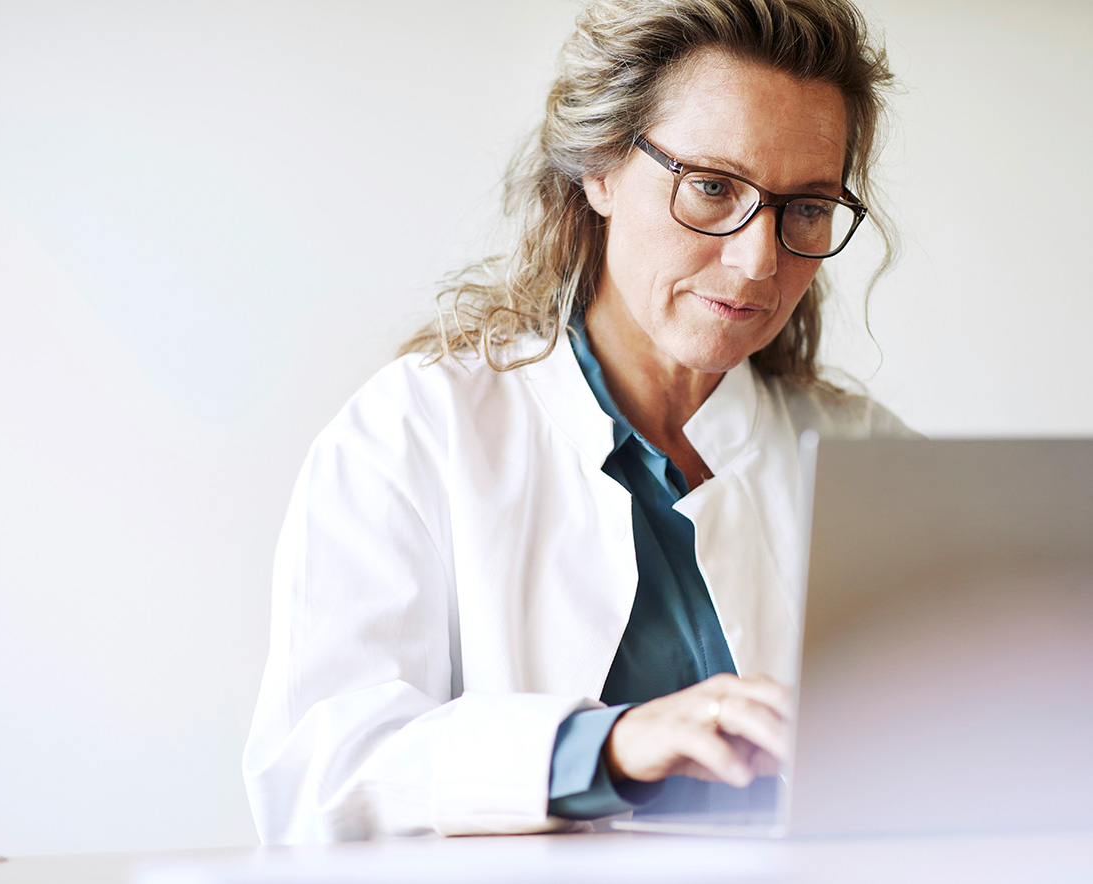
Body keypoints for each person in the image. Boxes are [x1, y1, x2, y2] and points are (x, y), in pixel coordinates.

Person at [243, 0, 913, 842]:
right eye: (712, 188)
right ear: (601, 168)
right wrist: (606, 746)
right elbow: (320, 779)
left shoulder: (868, 460)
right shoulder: (416, 431)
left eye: (807, 207)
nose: (757, 262)